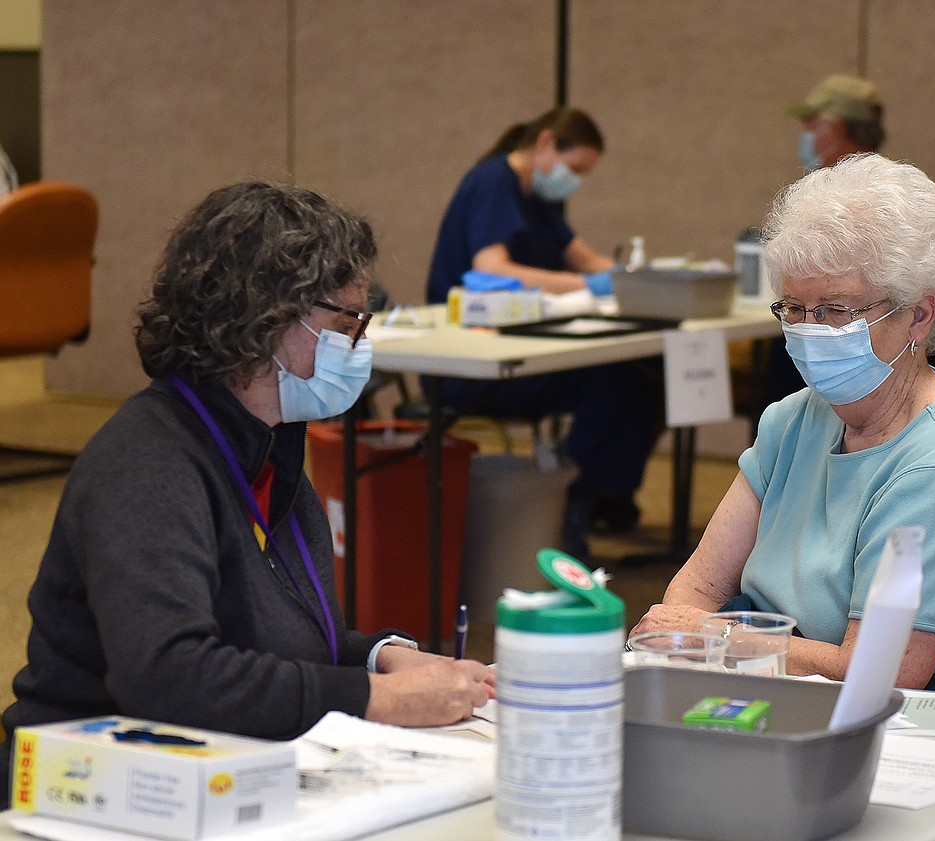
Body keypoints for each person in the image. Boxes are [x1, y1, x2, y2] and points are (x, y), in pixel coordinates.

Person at [2, 181, 494, 798]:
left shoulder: (268, 444)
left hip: (211, 773)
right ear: (267, 318)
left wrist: (379, 658)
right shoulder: (147, 466)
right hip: (90, 791)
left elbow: (281, 636)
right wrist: (375, 698)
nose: (362, 345)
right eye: (349, 322)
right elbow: (170, 678)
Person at [631, 154, 935, 704]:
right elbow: (697, 589)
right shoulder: (791, 420)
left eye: (836, 310)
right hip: (806, 693)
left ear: (919, 315)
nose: (809, 332)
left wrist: (716, 638)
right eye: (794, 308)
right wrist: (694, 639)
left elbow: (880, 672)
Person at [425, 106, 663, 557]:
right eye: (574, 169)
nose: (575, 181)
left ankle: (592, 492)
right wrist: (588, 285)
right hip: (470, 363)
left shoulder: (537, 197)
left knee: (643, 373)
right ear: (546, 143)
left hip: (522, 349)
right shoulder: (493, 182)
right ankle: (574, 496)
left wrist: (640, 278)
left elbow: (587, 259)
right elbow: (491, 266)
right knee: (621, 379)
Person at [760, 74, 935, 404]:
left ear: (837, 128)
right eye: (795, 308)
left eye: (812, 126)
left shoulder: (901, 205)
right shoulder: (788, 421)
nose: (806, 138)